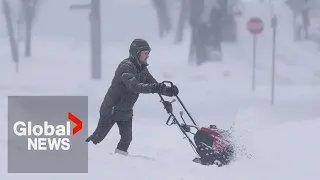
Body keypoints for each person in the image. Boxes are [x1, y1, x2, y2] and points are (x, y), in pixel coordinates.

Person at [86, 38, 179, 155]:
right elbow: (134, 86)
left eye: (148, 53)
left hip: (126, 112)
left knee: (126, 140)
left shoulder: (142, 69)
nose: (147, 56)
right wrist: (155, 87)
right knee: (98, 138)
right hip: (111, 109)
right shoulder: (125, 67)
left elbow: (153, 84)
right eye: (145, 53)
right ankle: (82, 153)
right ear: (136, 52)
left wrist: (168, 91)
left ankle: (119, 162)